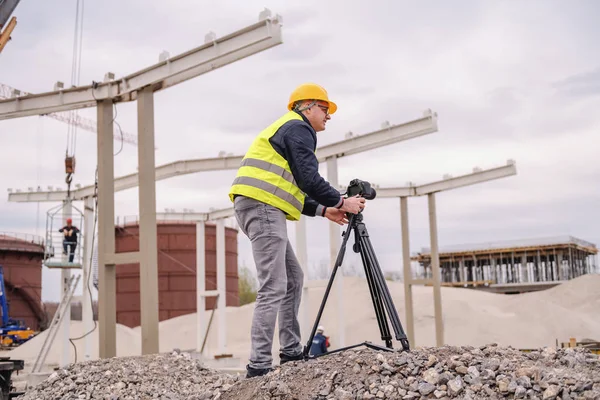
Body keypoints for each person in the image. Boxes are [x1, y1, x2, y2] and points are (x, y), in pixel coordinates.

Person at [229, 83, 366, 378]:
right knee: (274, 285)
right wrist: (342, 201)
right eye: (325, 108)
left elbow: (292, 189)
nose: (328, 116)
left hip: (262, 205)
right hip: (262, 207)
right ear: (307, 106)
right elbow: (308, 177)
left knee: (293, 278)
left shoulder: (287, 132)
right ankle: (259, 366)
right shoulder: (299, 128)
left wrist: (325, 209)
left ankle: (290, 352)